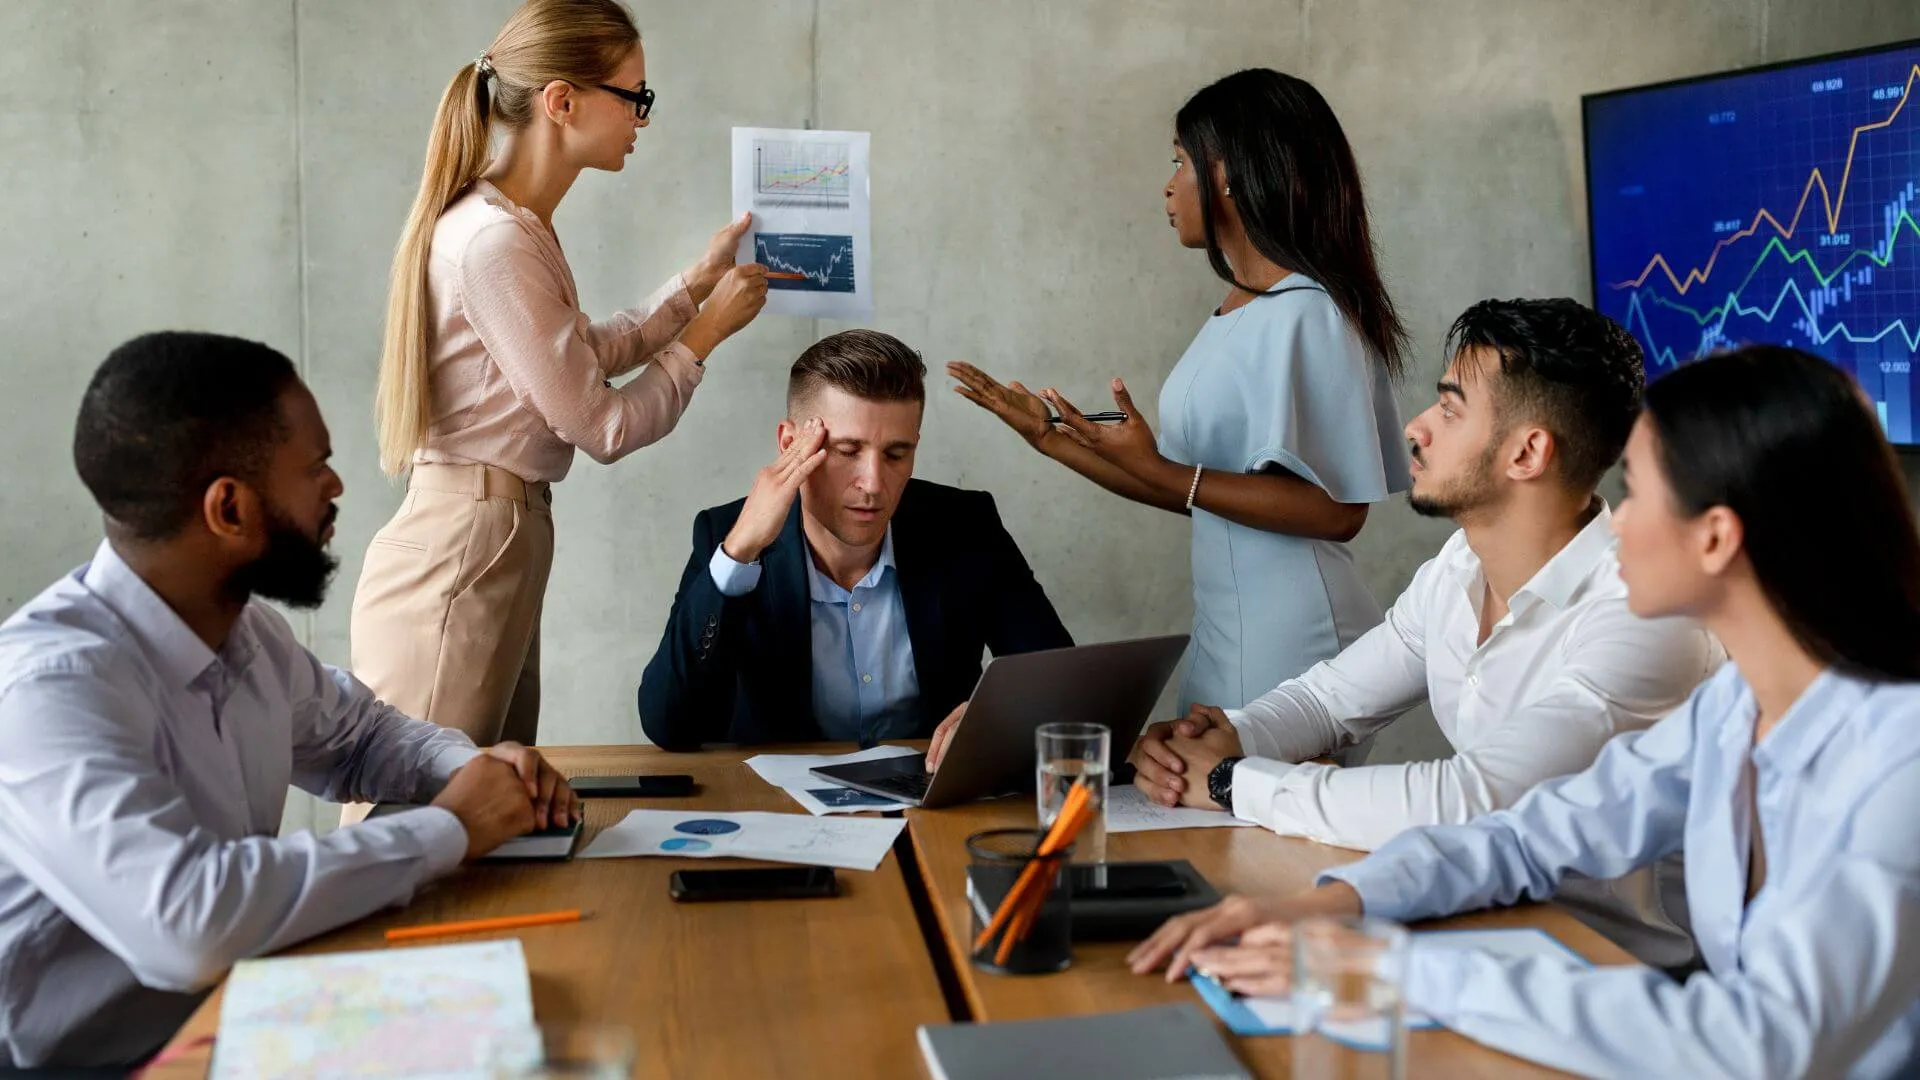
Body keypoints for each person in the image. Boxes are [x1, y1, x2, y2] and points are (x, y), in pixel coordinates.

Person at [1133, 345, 1920, 1080]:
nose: (1617, 522)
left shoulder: (1901, 760)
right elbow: (1530, 835)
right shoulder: (1734, 708)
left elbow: (1759, 1040)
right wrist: (1330, 906)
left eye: (1639, 493)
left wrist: (1386, 968)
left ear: (1716, 538)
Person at [0, 333, 577, 1069]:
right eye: (315, 468)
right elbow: (191, 923)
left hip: (231, 1019)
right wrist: (450, 827)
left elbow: (362, 739)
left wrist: (478, 771)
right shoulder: (48, 690)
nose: (335, 487)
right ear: (229, 509)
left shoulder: (243, 630)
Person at [1127, 299, 1723, 967]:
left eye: (1450, 408)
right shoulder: (1459, 567)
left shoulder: (1642, 614)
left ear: (1527, 452)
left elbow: (1471, 801)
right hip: (1485, 932)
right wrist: (1218, 742)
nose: (1416, 428)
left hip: (1617, 973)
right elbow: (1328, 701)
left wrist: (1234, 781)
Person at [349, 0, 768, 768]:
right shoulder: (495, 240)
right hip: (467, 545)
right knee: (418, 818)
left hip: (496, 536)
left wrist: (698, 285)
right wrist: (708, 332)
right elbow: (602, 426)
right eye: (633, 96)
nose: (643, 117)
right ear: (562, 101)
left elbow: (585, 353)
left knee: (480, 815)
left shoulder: (517, 227)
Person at [949, 68, 1409, 718]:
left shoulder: (1309, 313)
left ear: (1225, 172)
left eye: (1177, 161)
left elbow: (1338, 512)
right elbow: (1187, 488)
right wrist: (1049, 440)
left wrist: (1169, 472)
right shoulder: (1242, 308)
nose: (1167, 186)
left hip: (1292, 635)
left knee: (1244, 813)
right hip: (1232, 628)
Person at [639, 330, 1072, 750]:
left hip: (934, 810)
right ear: (792, 444)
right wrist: (739, 554)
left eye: (896, 454)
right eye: (847, 451)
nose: (873, 483)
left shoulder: (965, 526)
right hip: (780, 812)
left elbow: (1062, 684)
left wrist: (1001, 718)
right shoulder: (727, 534)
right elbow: (670, 726)